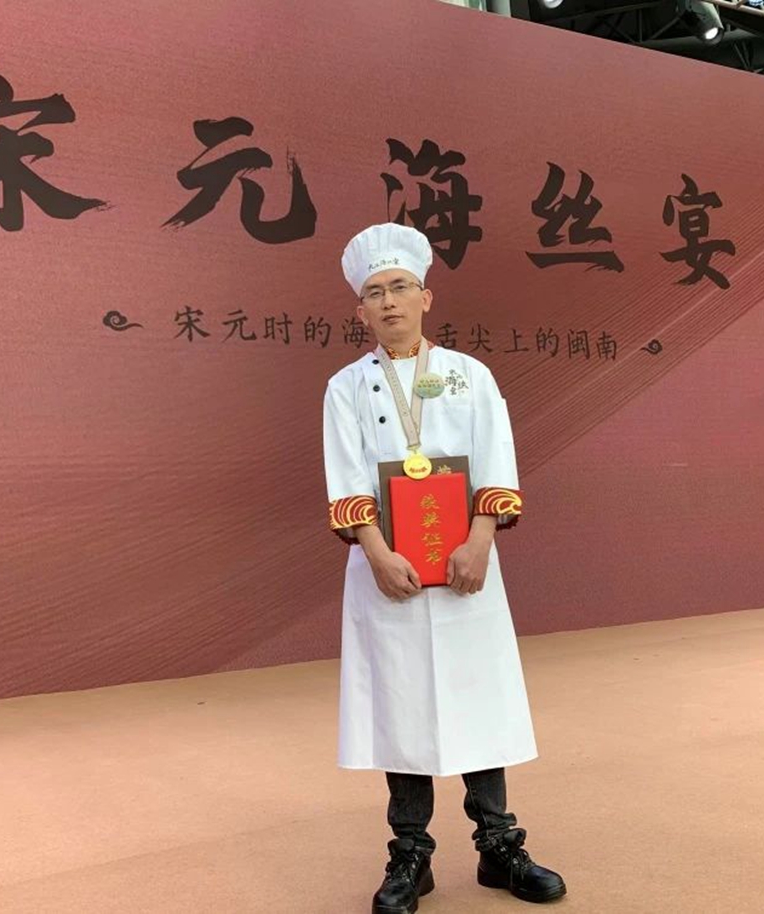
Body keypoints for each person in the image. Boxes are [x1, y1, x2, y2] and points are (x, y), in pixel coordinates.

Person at [323, 223, 566, 914]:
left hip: (465, 565)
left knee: (476, 696)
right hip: (389, 569)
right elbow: (346, 475)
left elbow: (495, 456)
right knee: (400, 705)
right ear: (361, 310)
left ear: (426, 297)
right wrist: (375, 552)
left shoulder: (469, 374)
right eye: (375, 292)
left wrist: (481, 538)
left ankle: (499, 846)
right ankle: (411, 856)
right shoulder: (346, 387)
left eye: (400, 287)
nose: (389, 301)